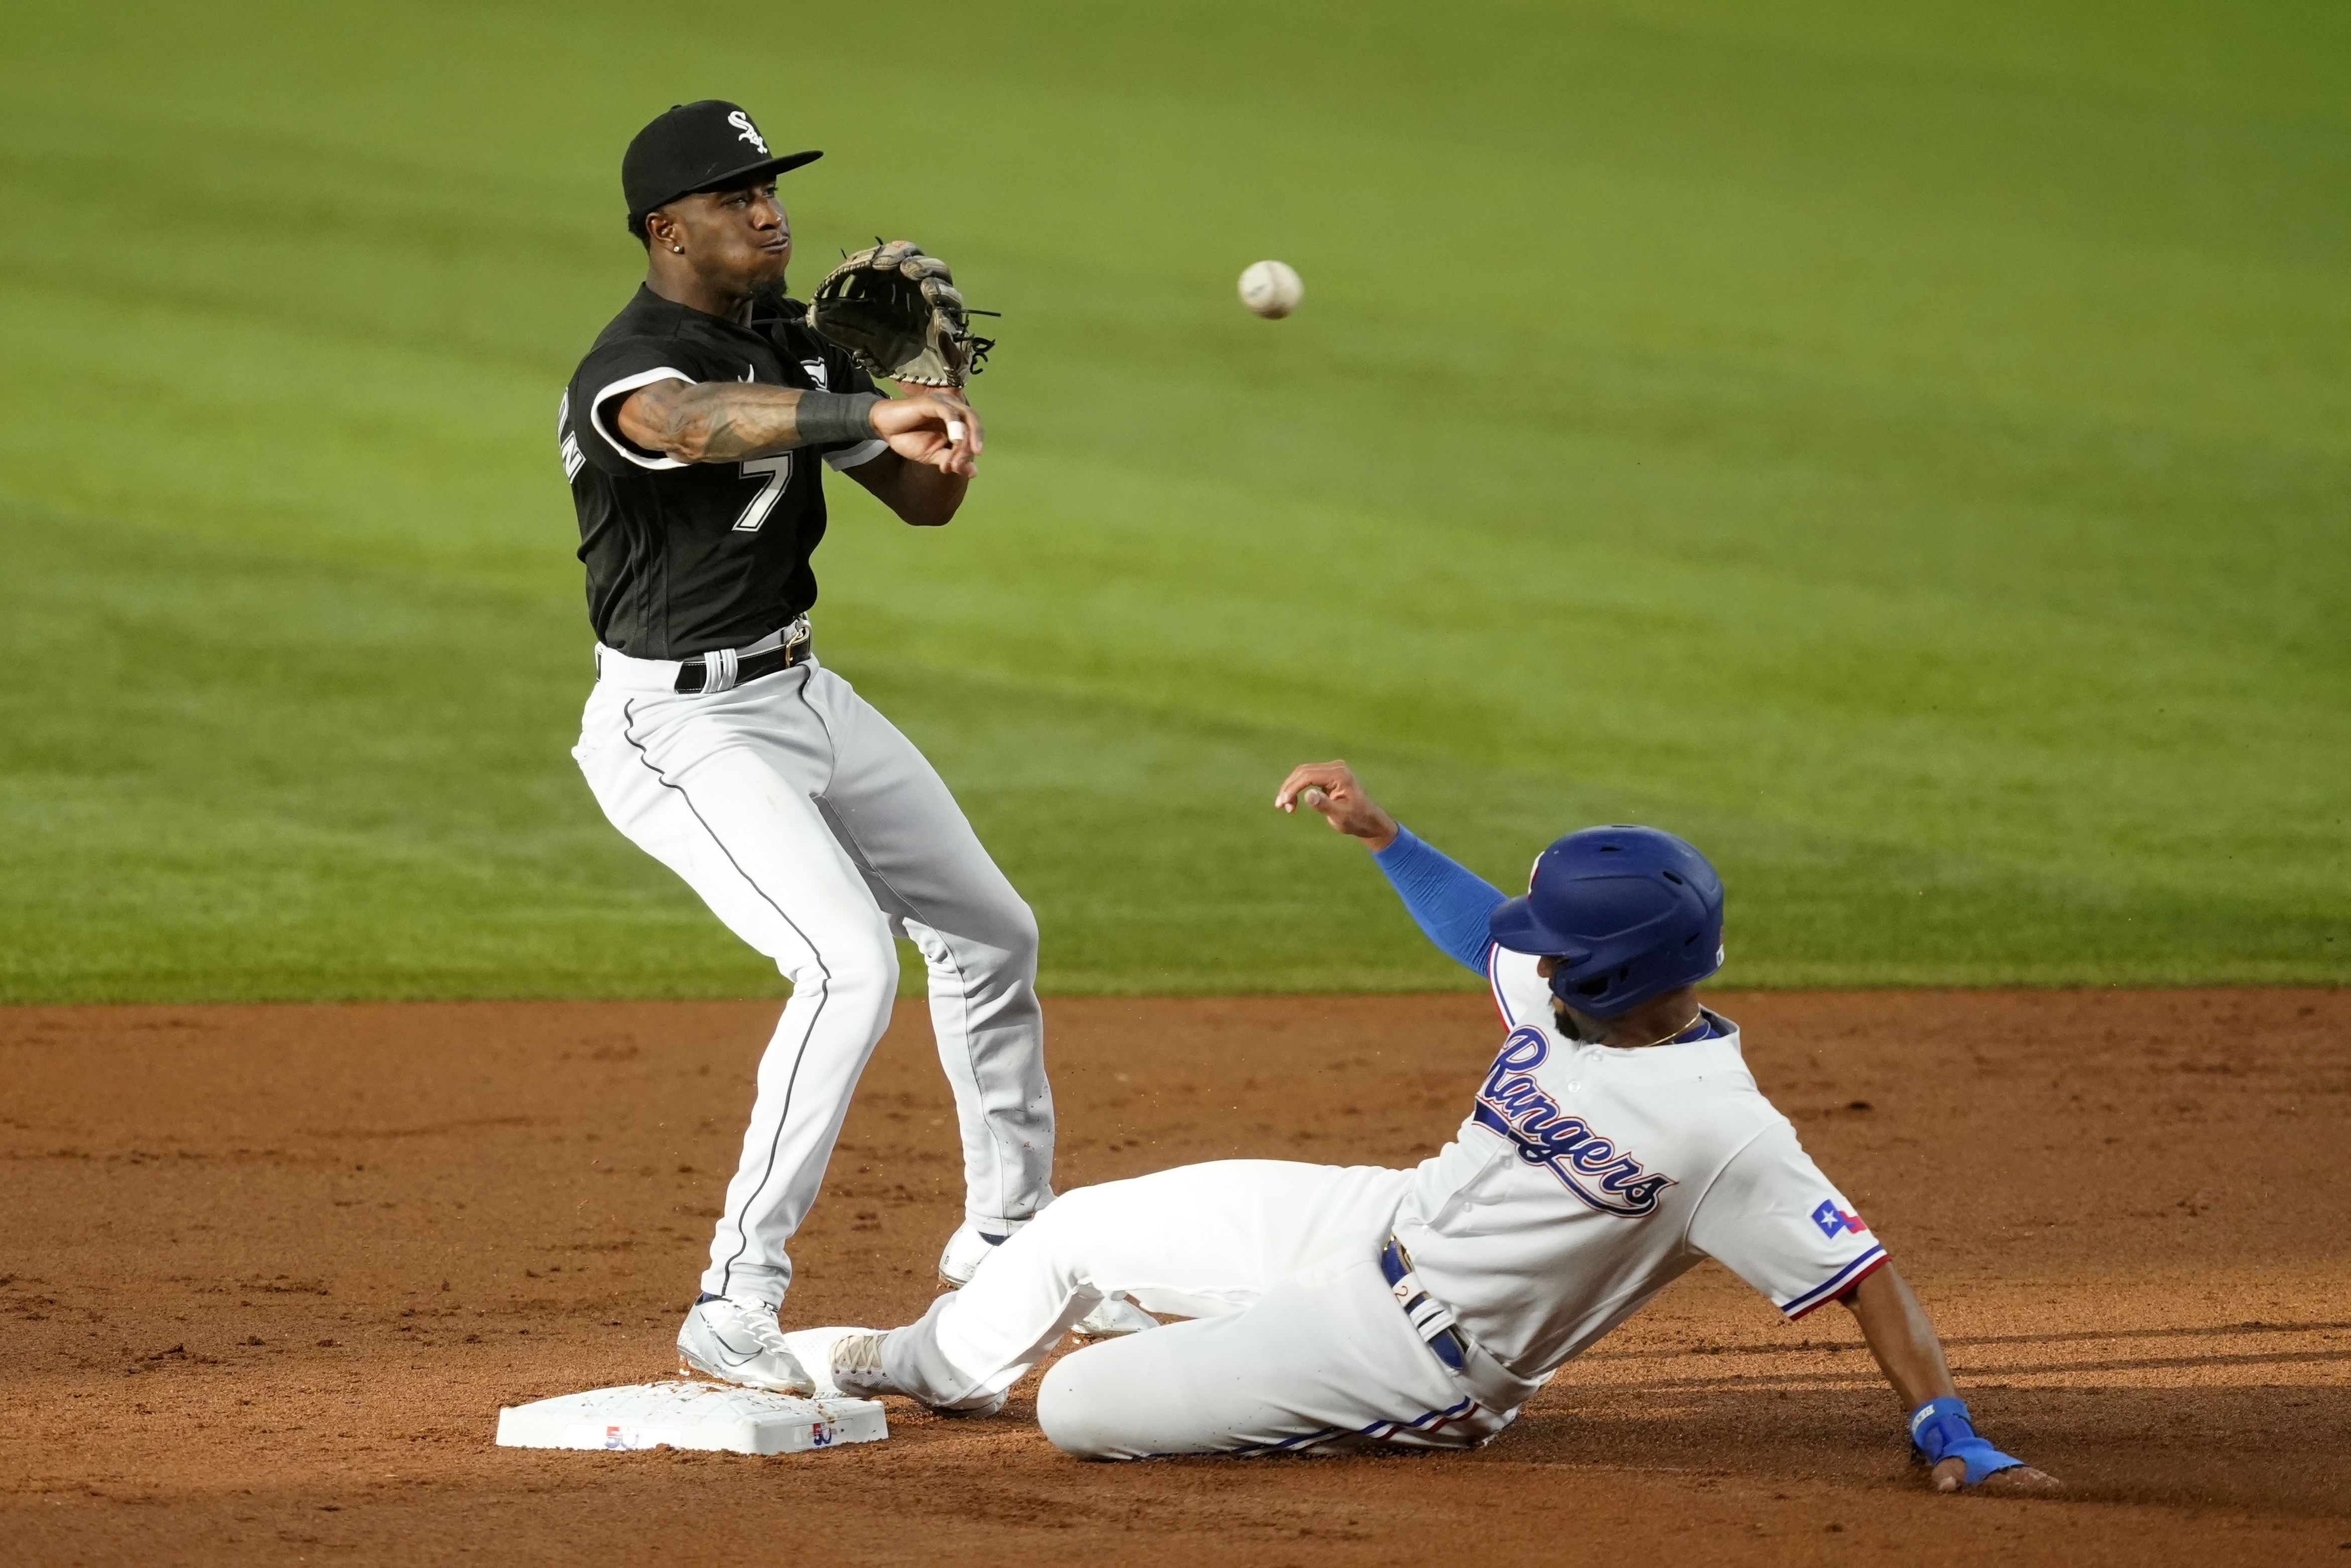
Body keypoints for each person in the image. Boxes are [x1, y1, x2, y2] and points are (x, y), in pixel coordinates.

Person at [778, 761, 2059, 1491]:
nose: (1532, 961)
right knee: (1075, 1230)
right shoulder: (1582, 1004)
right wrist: (1387, 836)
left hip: (1421, 1365)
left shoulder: (1725, 1134)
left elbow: (1864, 1277)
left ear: (1611, 972)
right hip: (1374, 1215)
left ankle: (1227, 1350)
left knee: (1077, 1406)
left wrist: (1945, 1428)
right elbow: (1476, 930)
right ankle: (926, 1363)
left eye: (1555, 950)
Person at [557, 100, 1144, 1394]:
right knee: (842, 964)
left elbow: (921, 503)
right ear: (667, 230)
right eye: (734, 195)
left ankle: (1006, 1238)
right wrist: (854, 416)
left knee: (991, 931)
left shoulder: (799, 345)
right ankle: (734, 1295)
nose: (769, 211)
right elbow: (693, 427)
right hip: (679, 722)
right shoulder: (630, 362)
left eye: (771, 187)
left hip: (804, 693)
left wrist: (932, 411)